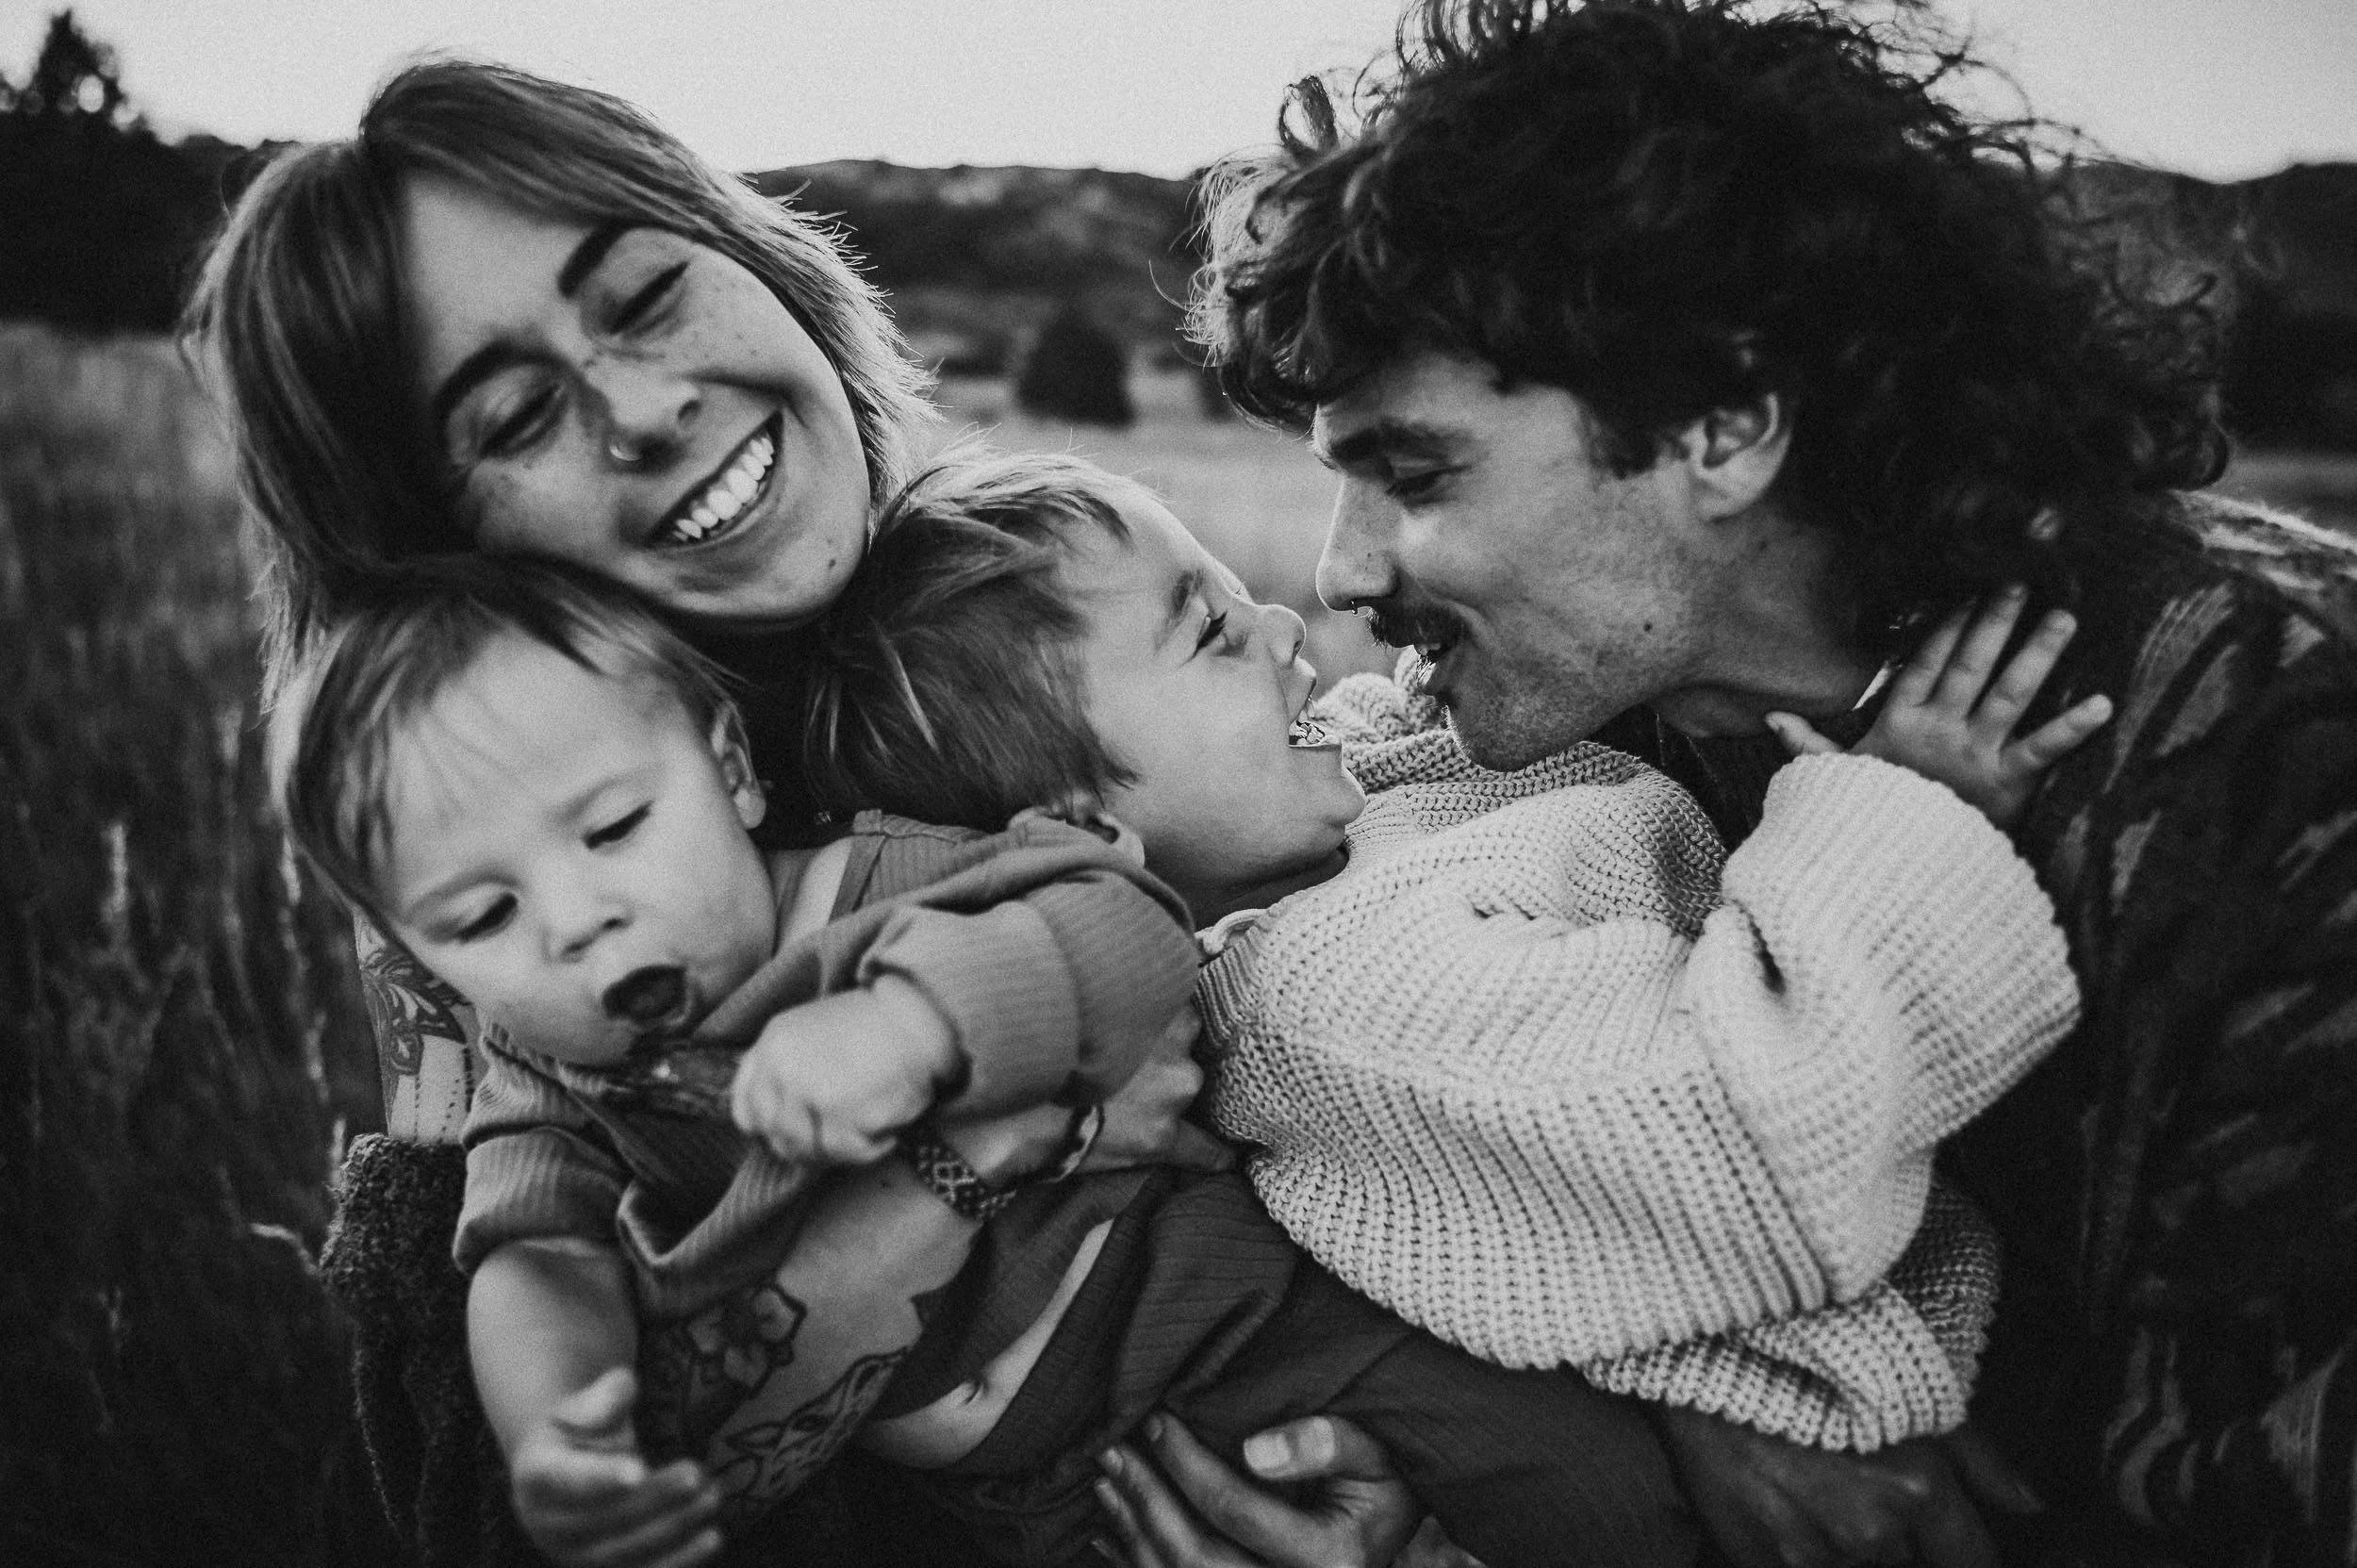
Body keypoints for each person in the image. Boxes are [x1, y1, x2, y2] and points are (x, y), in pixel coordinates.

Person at [1107, 1, 2357, 1564]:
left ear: (1725, 425)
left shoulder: (2281, 758)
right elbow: (1393, 1130)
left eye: (1415, 475)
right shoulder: (1564, 728)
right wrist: (1676, 1405)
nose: (1346, 573)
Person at [183, 58, 1224, 1568]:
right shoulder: (517, 957)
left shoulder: (1016, 589)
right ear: (433, 563)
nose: (648, 405)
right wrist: (970, 1151)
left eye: (650, 295)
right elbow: (500, 1514)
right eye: (517, 415)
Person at [763, 453, 2101, 1553]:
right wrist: (1905, 812)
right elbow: (1762, 1128)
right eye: (1213, 632)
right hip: (1865, 1385)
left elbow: (1419, 754)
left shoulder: (1331, 819)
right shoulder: (1325, 998)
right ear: (1077, 832)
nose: (1288, 621)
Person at [276, 552, 1701, 1568]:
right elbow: (532, 1259)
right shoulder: (555, 1085)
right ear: (415, 954)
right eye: (481, 918)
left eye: (611, 830)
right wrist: (557, 1430)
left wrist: (917, 1026)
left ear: (732, 768)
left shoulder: (888, 882)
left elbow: (1122, 928)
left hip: (1256, 1333)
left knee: (1594, 1493)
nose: (578, 921)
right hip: (1041, 1500)